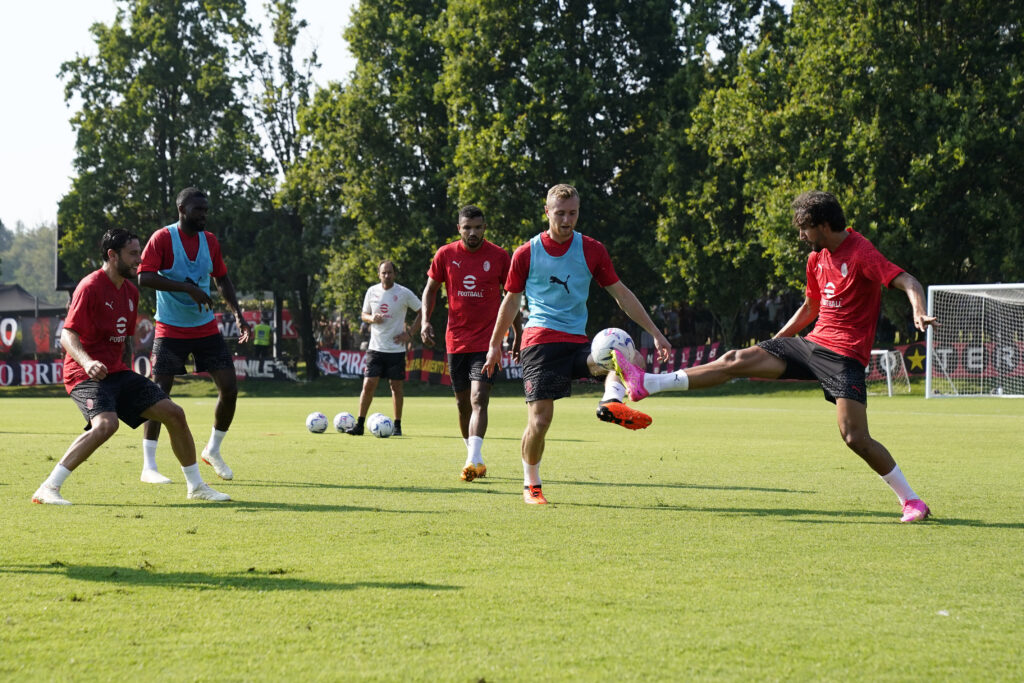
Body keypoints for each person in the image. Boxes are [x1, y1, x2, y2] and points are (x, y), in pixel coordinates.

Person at [612, 190, 938, 523]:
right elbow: (812, 307)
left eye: (804, 229)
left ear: (823, 225)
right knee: (735, 360)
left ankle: (912, 501)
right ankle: (647, 383)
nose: (801, 236)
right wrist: (778, 340)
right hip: (810, 345)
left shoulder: (862, 252)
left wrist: (919, 310)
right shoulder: (815, 259)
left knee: (855, 437)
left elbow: (907, 279)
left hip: (844, 357)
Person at [485, 183, 671, 505]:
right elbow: (511, 302)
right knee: (540, 421)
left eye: (573, 213)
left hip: (578, 344)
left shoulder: (592, 249)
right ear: (547, 212)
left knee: (627, 356)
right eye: (560, 213)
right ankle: (531, 484)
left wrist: (655, 331)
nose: (567, 220)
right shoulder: (526, 253)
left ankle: (610, 402)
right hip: (539, 343)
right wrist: (493, 346)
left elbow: (622, 294)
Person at [32, 229, 230, 505]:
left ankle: (196, 486)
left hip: (117, 373)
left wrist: (127, 376)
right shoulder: (89, 287)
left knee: (174, 413)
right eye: (133, 253)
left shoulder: (130, 292)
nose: (140, 259)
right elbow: (67, 334)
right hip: (82, 374)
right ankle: (48, 488)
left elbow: (124, 341)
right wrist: (88, 362)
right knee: (106, 425)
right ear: (112, 255)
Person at [136, 187, 250, 484]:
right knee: (158, 394)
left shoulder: (210, 241)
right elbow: (144, 277)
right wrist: (187, 288)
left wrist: (238, 314)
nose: (204, 215)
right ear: (182, 209)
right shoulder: (162, 238)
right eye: (198, 210)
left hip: (205, 328)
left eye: (206, 210)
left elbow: (222, 278)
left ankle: (212, 450)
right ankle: (149, 465)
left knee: (229, 388)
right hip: (170, 328)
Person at [421, 205, 521, 482]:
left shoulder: (500, 256)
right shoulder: (445, 254)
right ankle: (474, 456)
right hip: (456, 341)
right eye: (468, 228)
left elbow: (512, 297)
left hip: (489, 342)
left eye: (478, 227)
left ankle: (472, 459)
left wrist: (516, 332)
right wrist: (425, 322)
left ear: (484, 227)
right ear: (459, 229)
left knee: (480, 398)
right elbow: (430, 289)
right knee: (462, 403)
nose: (473, 232)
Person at [348, 260, 422, 436]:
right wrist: (372, 318)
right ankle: (359, 424)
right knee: (368, 384)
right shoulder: (372, 291)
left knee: (396, 387)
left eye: (390, 272)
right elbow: (364, 314)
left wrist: (410, 333)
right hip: (375, 349)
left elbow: (422, 310)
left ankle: (397, 426)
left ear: (394, 274)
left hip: (396, 350)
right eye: (384, 273)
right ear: (379, 274)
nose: (387, 275)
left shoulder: (403, 293)